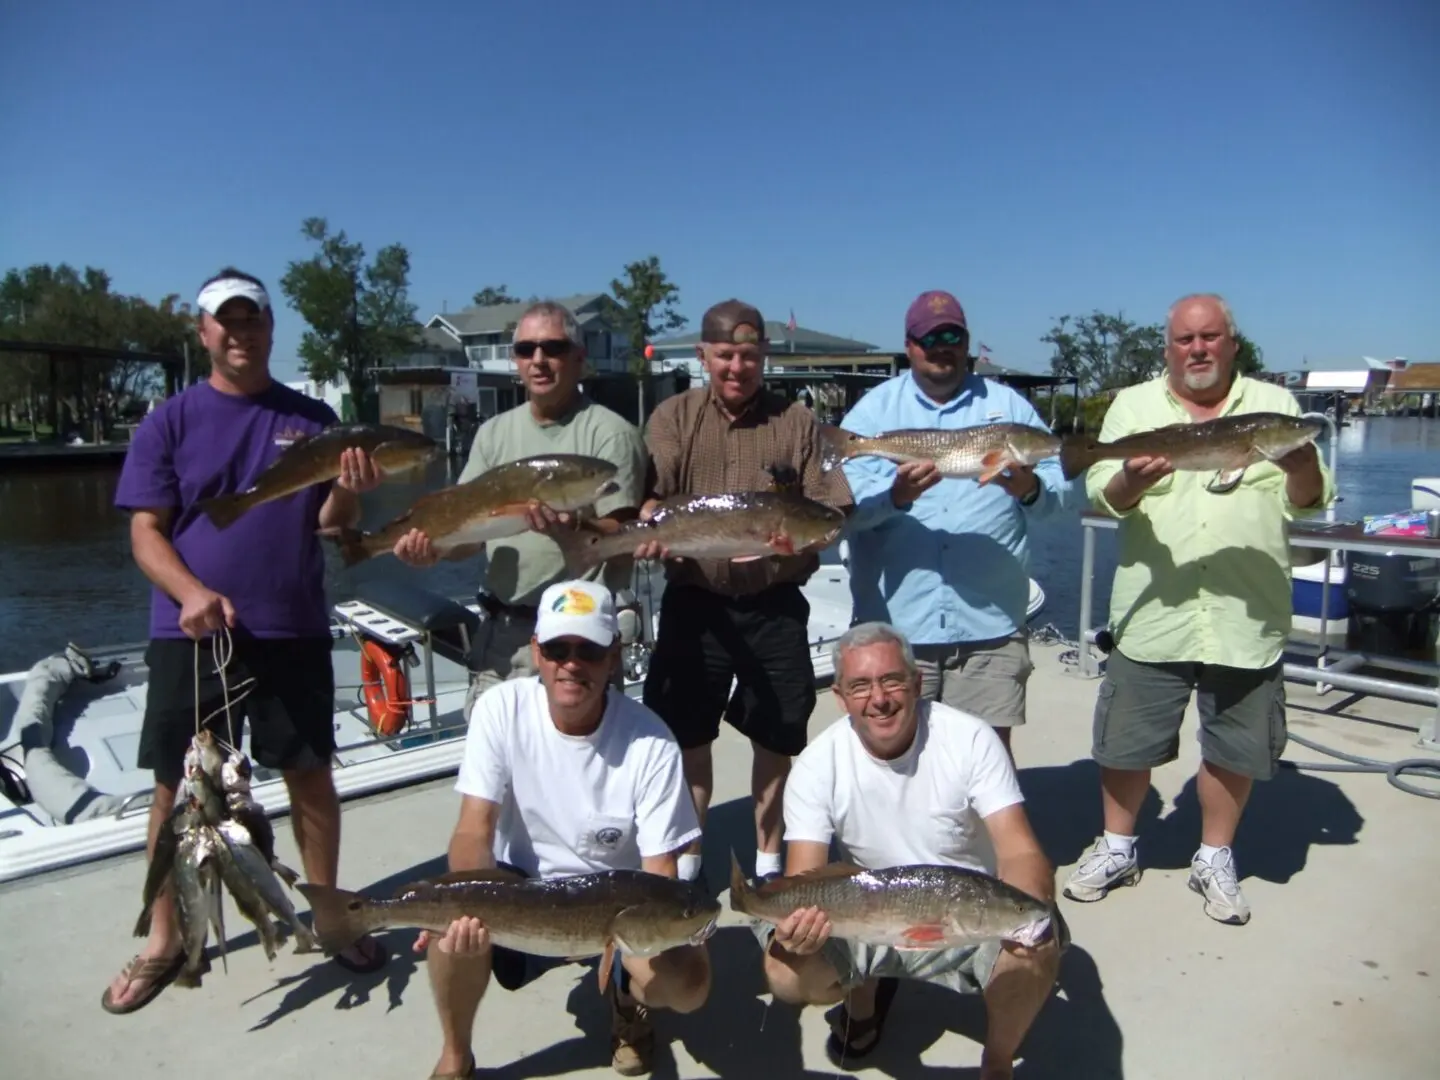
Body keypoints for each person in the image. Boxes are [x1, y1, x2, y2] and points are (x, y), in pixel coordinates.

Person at [101, 268, 390, 1014]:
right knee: (176, 789)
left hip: (291, 626)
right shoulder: (169, 421)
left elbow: (331, 522)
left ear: (270, 327)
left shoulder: (313, 417)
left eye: (252, 319)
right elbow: (145, 531)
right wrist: (191, 592)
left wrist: (352, 483)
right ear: (204, 333)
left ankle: (329, 916)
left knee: (309, 776)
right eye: (224, 321)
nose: (239, 333)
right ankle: (164, 939)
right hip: (192, 632)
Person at [1062, 292, 1333, 925]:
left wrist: (1300, 466)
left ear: (1232, 343)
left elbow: (1310, 502)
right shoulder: (1133, 407)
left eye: (1210, 337)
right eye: (1185, 340)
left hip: (1248, 616)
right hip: (1153, 613)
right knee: (1125, 742)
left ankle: (1215, 855)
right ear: (1169, 349)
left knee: (1235, 748)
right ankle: (1118, 845)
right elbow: (1106, 498)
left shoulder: (1277, 410)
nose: (1198, 349)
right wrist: (1132, 476)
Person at [420, 579, 711, 1078]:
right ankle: (455, 1051)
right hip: (523, 885)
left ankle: (628, 1001)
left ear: (613, 657)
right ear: (536, 651)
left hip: (621, 896)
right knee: (447, 934)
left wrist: (666, 943)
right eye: (557, 649)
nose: (571, 663)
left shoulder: (652, 741)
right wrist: (464, 901)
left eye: (589, 650)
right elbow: (474, 829)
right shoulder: (500, 709)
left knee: (687, 985)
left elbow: (659, 867)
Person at [757, 622, 1063, 1080]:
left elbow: (1020, 850)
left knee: (1037, 947)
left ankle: (998, 1059)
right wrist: (796, 931)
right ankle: (864, 1000)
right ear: (840, 698)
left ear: (917, 684)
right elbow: (807, 875)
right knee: (784, 972)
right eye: (860, 686)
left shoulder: (971, 739)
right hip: (866, 913)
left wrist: (1026, 913)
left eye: (891, 680)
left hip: (964, 911)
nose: (878, 699)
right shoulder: (817, 764)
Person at [640, 298, 854, 886]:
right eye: (726, 355)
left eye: (750, 355)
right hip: (694, 602)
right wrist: (650, 521)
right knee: (687, 739)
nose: (737, 367)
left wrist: (802, 542)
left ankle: (767, 862)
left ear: (765, 357)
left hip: (774, 605)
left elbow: (833, 506)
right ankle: (685, 867)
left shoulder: (797, 422)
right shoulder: (673, 418)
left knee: (778, 735)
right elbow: (649, 496)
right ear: (704, 356)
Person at [837, 290, 1075, 759]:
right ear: (909, 345)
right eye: (930, 337)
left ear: (967, 343)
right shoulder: (872, 416)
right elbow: (846, 514)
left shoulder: (1011, 410)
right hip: (897, 627)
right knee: (894, 762)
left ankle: (979, 837)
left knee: (984, 763)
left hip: (992, 624)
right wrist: (895, 498)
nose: (942, 346)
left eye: (953, 335)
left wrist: (1029, 490)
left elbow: (1062, 497)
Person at [394, 300, 647, 715]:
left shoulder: (611, 434)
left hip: (577, 643)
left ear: (579, 358)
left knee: (580, 772)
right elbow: (467, 538)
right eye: (526, 350)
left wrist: (568, 528)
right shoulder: (493, 433)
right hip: (502, 638)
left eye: (554, 348)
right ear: (515, 361)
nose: (539, 360)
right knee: (494, 776)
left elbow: (621, 536)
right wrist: (431, 551)